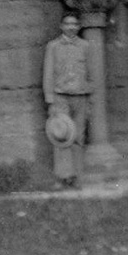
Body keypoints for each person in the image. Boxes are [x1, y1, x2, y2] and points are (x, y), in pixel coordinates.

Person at [43, 12, 93, 189]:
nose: (71, 27)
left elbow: (91, 72)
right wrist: (50, 100)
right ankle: (62, 177)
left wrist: (90, 97)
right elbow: (48, 73)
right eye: (67, 24)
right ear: (61, 26)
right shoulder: (53, 46)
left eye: (75, 24)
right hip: (60, 96)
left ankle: (77, 177)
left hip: (80, 96)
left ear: (79, 27)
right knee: (62, 135)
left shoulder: (85, 46)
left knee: (78, 136)